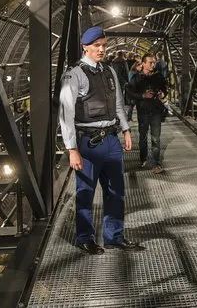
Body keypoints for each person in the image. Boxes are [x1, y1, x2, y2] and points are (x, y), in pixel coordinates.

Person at [59, 26, 142, 255]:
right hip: (88, 143)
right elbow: (66, 113)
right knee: (85, 192)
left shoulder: (109, 72)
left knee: (116, 191)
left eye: (104, 45)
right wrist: (71, 148)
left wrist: (125, 129)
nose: (102, 49)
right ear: (85, 47)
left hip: (111, 140)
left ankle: (114, 236)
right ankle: (84, 238)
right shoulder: (74, 74)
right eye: (97, 46)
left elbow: (117, 104)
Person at [126, 54, 168, 174]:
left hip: (155, 111)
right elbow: (130, 93)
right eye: (150, 62)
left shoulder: (158, 77)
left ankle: (156, 163)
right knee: (143, 137)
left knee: (156, 139)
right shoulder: (137, 78)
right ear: (143, 63)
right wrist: (143, 95)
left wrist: (162, 94)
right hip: (143, 111)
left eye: (154, 62)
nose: (153, 65)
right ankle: (143, 159)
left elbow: (165, 89)